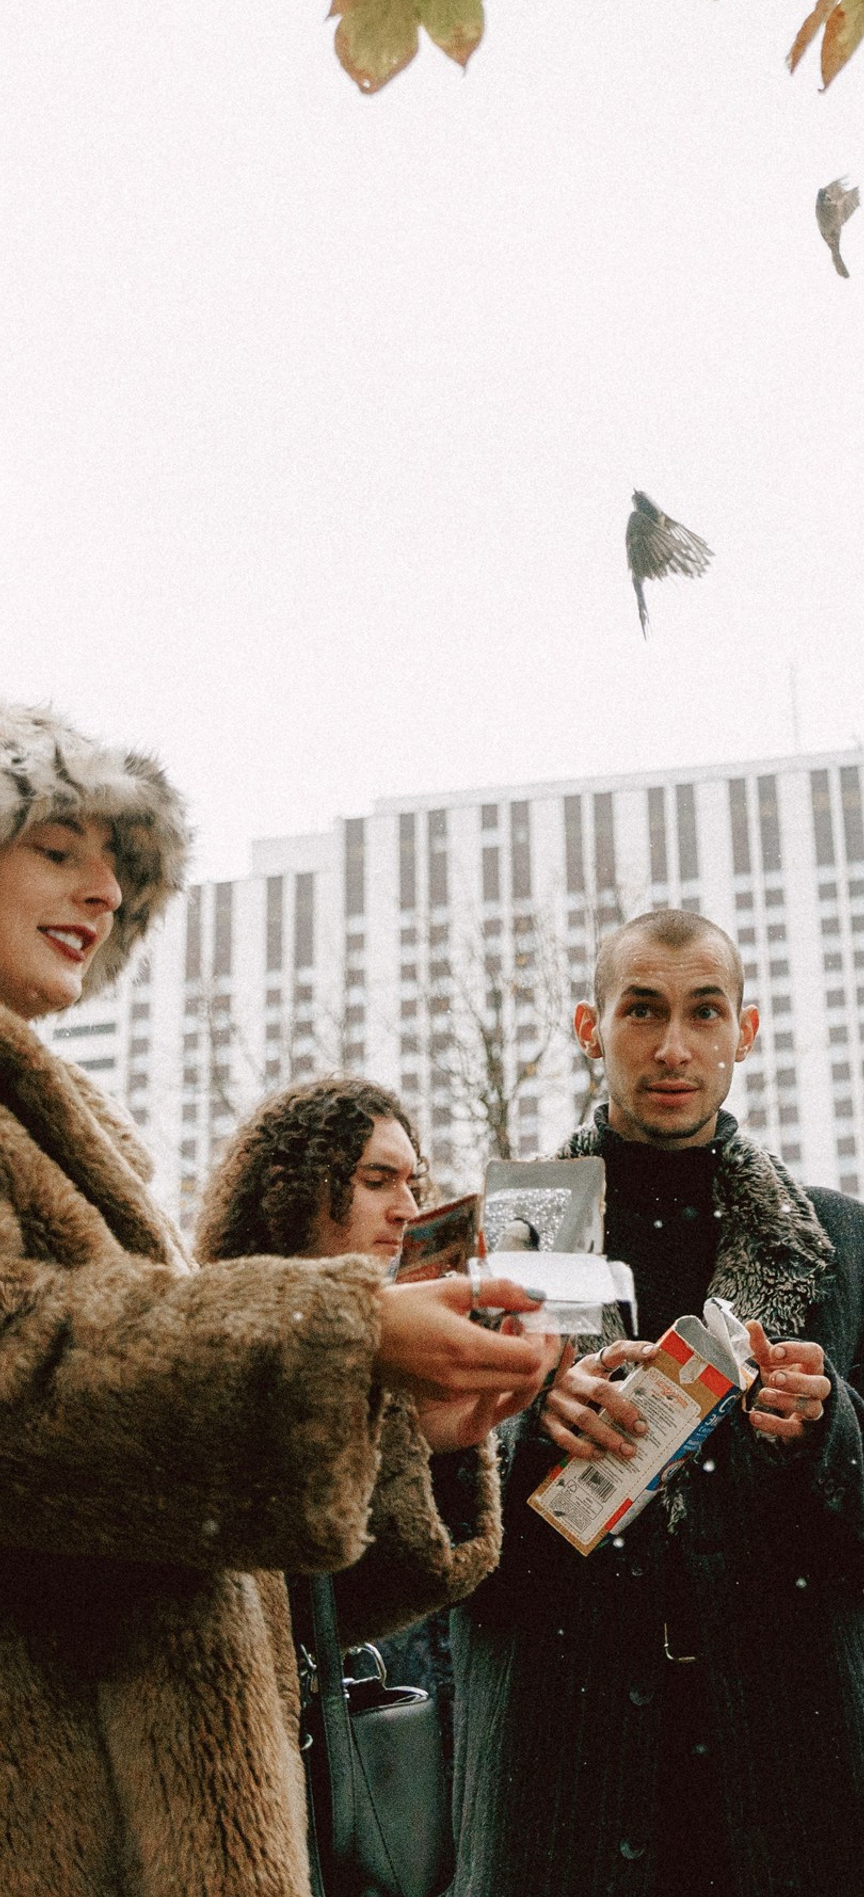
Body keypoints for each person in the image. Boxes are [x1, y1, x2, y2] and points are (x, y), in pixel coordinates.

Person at [0, 702, 556, 1897]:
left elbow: (241, 1586)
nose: (101, 890)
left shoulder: (90, 1143)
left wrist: (418, 1438)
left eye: (123, 870)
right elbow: (19, 1370)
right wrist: (349, 1335)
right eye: (58, 848)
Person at [450, 904, 864, 1897]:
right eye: (641, 1010)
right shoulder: (501, 1244)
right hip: (559, 1780)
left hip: (794, 1785)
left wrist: (828, 1426)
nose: (673, 1046)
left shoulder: (852, 1247)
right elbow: (419, 1522)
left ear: (744, 1033)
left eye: (703, 1012)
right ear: (591, 1029)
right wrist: (522, 1432)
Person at [195, 1074, 514, 1823]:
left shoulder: (400, 1371)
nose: (406, 1207)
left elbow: (369, 1595)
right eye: (377, 1180)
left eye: (413, 1180)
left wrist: (437, 1441)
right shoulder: (208, 1349)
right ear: (293, 1193)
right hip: (228, 1780)